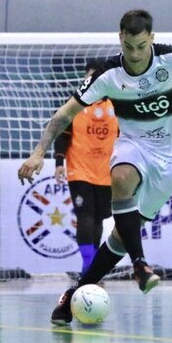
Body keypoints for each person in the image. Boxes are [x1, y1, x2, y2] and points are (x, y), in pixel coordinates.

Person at [17, 9, 172, 325]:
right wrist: (38, 153)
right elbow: (63, 115)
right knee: (119, 177)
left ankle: (74, 292)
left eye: (141, 46)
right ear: (120, 38)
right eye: (129, 46)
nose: (134, 54)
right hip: (134, 146)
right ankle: (140, 264)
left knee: (119, 237)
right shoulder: (107, 75)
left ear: (152, 39)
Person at [54, 58, 119, 276]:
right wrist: (59, 162)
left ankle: (92, 266)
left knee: (100, 218)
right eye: (89, 77)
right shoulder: (74, 104)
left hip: (107, 172)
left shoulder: (117, 104)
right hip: (79, 170)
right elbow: (62, 134)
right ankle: (88, 266)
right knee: (86, 216)